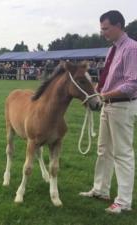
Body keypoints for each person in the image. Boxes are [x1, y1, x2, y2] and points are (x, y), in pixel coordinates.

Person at [79, 10, 137, 214]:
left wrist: (103, 96)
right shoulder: (113, 49)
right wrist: (97, 92)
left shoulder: (131, 49)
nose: (103, 32)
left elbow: (132, 84)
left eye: (106, 28)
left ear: (119, 25)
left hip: (122, 106)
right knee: (104, 150)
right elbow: (111, 80)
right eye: (101, 28)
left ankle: (123, 202)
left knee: (123, 154)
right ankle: (100, 190)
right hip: (108, 104)